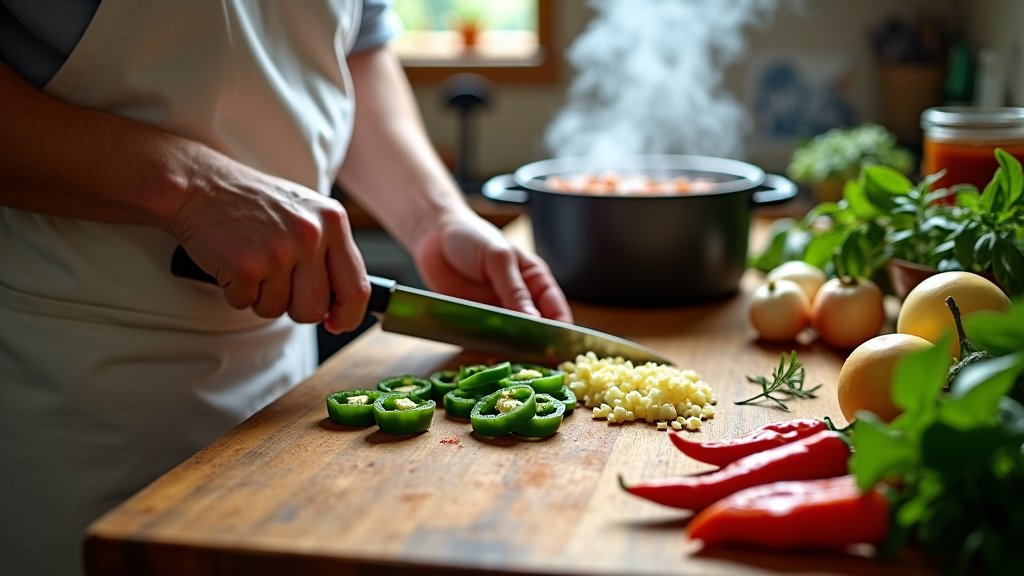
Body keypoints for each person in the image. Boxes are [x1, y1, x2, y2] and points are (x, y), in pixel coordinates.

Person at [0, 2, 573, 575]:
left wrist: (433, 217)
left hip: (285, 384)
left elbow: (353, 48)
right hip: (81, 384)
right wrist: (191, 187)